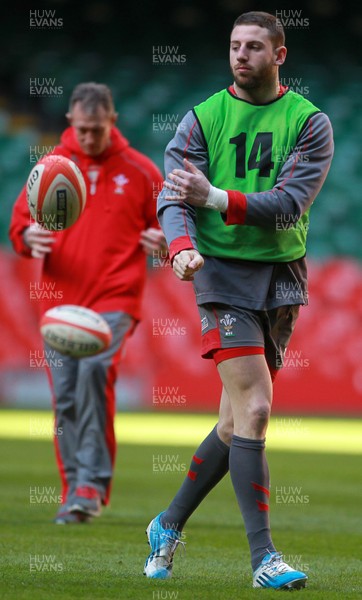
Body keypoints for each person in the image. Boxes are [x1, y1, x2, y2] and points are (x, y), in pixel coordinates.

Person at [143, 11, 333, 590]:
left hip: (280, 277)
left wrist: (216, 195)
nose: (241, 55)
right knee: (255, 407)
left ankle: (167, 524)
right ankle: (264, 559)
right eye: (234, 46)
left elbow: (289, 203)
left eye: (254, 47)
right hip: (219, 273)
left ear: (280, 55)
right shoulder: (202, 119)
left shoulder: (310, 122)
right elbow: (173, 196)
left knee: (232, 422)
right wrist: (179, 246)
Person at [9, 82, 165, 524]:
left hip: (116, 296)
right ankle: (74, 488)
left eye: (97, 129)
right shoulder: (50, 168)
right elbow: (19, 227)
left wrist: (161, 243)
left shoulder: (141, 172)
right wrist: (28, 237)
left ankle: (90, 487)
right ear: (70, 124)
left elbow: (170, 234)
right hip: (59, 302)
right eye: (82, 129)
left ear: (112, 122)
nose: (90, 138)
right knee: (65, 397)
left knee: (95, 371)